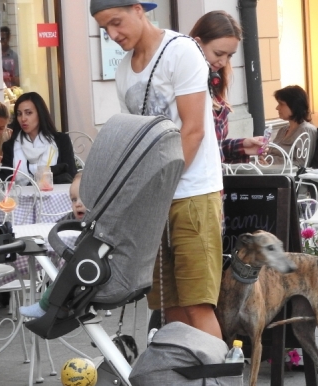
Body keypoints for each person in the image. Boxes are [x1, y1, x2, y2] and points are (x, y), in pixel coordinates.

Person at [92, 0, 224, 339]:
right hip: (154, 202)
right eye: (104, 28)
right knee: (168, 307)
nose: (112, 34)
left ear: (139, 9)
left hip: (191, 194)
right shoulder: (124, 70)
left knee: (198, 304)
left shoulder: (181, 52)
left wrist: (156, 190)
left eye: (116, 22)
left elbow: (193, 130)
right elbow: (136, 139)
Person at [189, 11, 265, 163]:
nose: (223, 62)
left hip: (212, 182)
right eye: (218, 53)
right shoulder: (183, 89)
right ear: (196, 44)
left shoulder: (215, 83)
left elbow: (213, 149)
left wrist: (242, 146)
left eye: (229, 55)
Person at [20, 173, 85, 319]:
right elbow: (57, 227)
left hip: (86, 272)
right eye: (73, 199)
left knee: (65, 274)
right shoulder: (72, 218)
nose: (77, 204)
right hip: (83, 270)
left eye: (82, 198)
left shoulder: (97, 221)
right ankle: (55, 307)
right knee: (63, 271)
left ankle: (44, 306)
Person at [1, 92, 77, 184]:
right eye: (19, 114)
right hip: (21, 197)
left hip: (56, 196)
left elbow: (71, 176)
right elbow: (5, 181)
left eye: (28, 113)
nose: (23, 118)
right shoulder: (10, 146)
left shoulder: (61, 141)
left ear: (40, 113)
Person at [271, 85, 317, 168]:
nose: (277, 108)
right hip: (271, 173)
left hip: (289, 178)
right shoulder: (282, 130)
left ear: (294, 105)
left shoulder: (306, 131)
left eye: (281, 104)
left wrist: (272, 163)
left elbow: (302, 164)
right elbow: (270, 154)